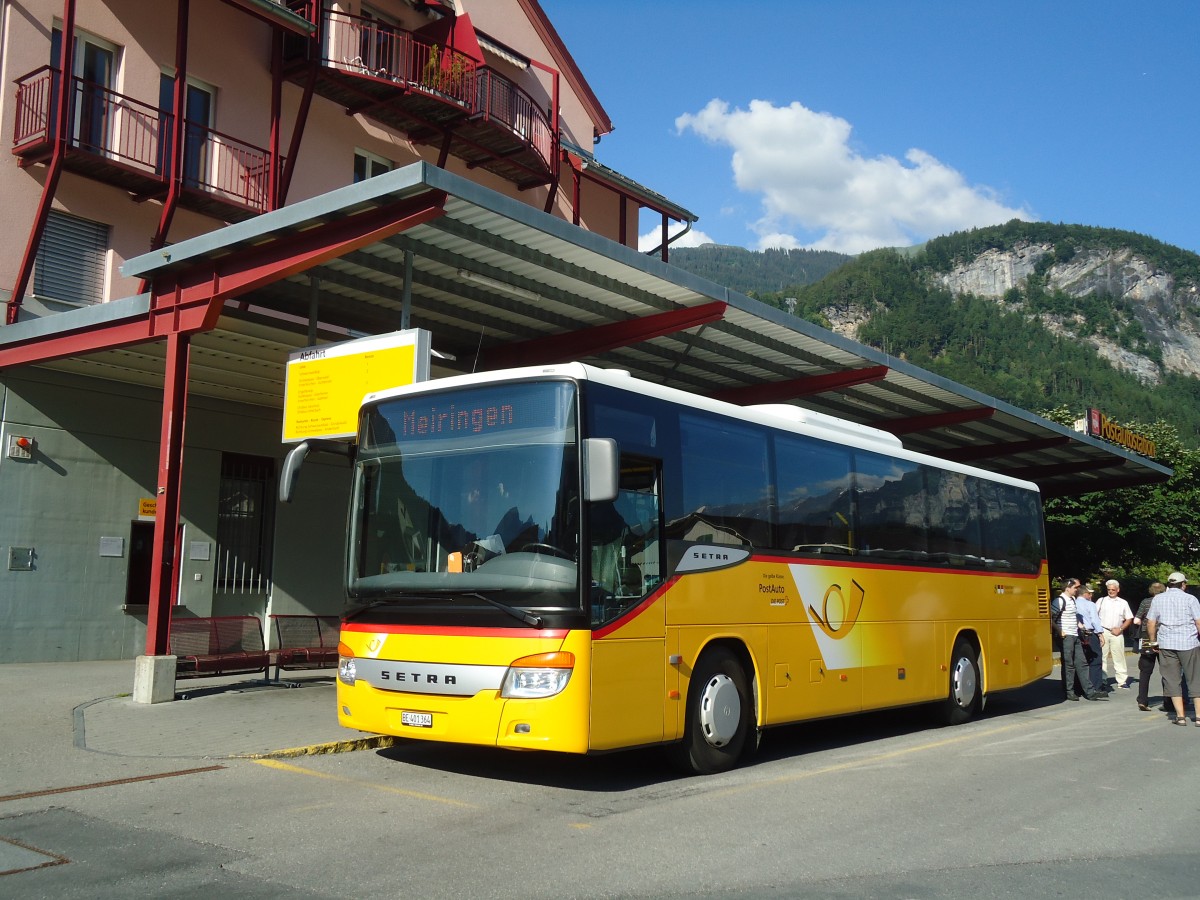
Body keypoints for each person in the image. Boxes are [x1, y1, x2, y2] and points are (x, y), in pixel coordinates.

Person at [1146, 572, 1200, 725]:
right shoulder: (1190, 599)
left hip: (1167, 643)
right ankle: (1198, 716)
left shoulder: (1158, 599)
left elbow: (1151, 622)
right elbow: (1198, 621)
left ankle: (1180, 716)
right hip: (1188, 642)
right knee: (1194, 678)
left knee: (1172, 679)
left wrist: (1153, 641)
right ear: (1183, 584)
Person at [1052, 577, 1108, 701]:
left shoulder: (1072, 600)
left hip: (1075, 635)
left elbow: (1075, 617)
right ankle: (1069, 692)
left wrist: (1082, 627)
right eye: (1074, 587)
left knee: (1082, 663)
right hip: (1066, 636)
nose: (1077, 589)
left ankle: (1090, 692)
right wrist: (1059, 630)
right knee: (1069, 665)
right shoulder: (1059, 601)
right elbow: (1049, 618)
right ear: (1067, 588)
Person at [1132, 582, 1165, 711]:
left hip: (1146, 637)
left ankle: (1142, 700)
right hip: (1163, 636)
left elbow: (1136, 620)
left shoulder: (1145, 602)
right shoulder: (1165, 602)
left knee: (1145, 670)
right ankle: (1169, 700)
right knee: (1167, 670)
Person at [1097, 579, 1134, 688]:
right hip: (1103, 630)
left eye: (1113, 589)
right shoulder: (1101, 601)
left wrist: (1120, 629)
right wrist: (1098, 632)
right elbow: (1094, 616)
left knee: (1119, 656)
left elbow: (1129, 618)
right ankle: (1102, 680)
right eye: (1109, 589)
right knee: (1102, 656)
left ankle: (1122, 681)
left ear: (1118, 590)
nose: (1111, 591)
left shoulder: (1123, 602)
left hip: (1117, 632)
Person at [1075, 584, 1108, 695]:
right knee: (1095, 660)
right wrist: (1100, 634)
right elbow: (1094, 620)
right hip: (1089, 633)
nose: (1091, 595)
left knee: (1080, 661)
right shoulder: (1090, 604)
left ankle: (1079, 687)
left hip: (1077, 633)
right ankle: (1095, 687)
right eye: (1089, 593)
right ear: (1085, 593)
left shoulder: (1073, 603)